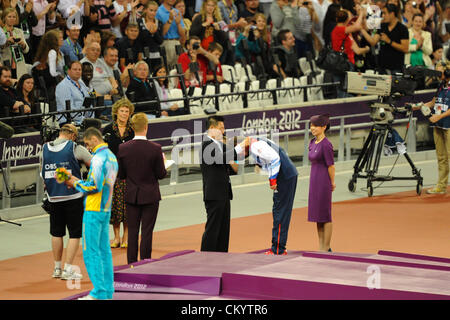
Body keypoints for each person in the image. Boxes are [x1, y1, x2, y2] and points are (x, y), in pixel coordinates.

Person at [64, 127, 118, 300]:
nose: (87, 148)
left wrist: (75, 184)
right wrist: (77, 180)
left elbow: (94, 186)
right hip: (105, 208)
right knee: (104, 252)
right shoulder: (111, 156)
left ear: (94, 139)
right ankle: (107, 291)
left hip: (93, 210)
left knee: (91, 252)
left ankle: (98, 293)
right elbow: (98, 183)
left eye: (87, 144)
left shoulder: (98, 158)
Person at [40, 123, 92, 281]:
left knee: (56, 232)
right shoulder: (75, 147)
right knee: (74, 234)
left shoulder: (44, 148)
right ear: (73, 135)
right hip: (73, 196)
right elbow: (95, 165)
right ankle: (68, 269)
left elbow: (42, 174)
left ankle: (56, 268)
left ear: (59, 133)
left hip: (53, 197)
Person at [116, 112, 167, 264]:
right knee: (147, 232)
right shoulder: (155, 148)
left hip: (132, 195)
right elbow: (161, 174)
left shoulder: (123, 148)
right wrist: (163, 164)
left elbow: (122, 174)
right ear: (146, 127)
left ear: (132, 127)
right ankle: (145, 262)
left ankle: (131, 263)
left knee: (132, 232)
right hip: (150, 195)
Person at [237, 135, 298, 255]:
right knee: (278, 211)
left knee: (280, 212)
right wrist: (260, 164)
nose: (241, 157)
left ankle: (278, 249)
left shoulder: (254, 146)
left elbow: (275, 158)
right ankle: (279, 246)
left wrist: (272, 179)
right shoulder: (258, 140)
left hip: (284, 176)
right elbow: (274, 152)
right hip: (287, 174)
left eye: (240, 154)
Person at [199, 115, 241, 252]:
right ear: (212, 128)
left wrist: (247, 150)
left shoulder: (219, 145)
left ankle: (222, 257)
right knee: (212, 229)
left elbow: (233, 162)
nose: (223, 131)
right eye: (221, 128)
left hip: (224, 192)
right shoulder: (207, 145)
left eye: (224, 128)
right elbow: (221, 158)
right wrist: (240, 147)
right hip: (214, 193)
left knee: (224, 230)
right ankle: (206, 258)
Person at [103, 97, 135, 248]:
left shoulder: (133, 130)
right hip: (112, 173)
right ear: (116, 112)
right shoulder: (108, 130)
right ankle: (116, 237)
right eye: (121, 111)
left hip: (129, 172)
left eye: (126, 111)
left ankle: (126, 237)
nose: (124, 114)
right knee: (115, 205)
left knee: (127, 206)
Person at [413, 62, 450, 194]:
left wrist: (438, 117)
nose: (438, 76)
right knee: (441, 157)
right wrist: (416, 106)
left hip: (448, 125)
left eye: (440, 73)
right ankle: (441, 186)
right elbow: (433, 103)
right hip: (438, 125)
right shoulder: (440, 86)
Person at [307, 114, 335, 252]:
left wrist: (332, 182)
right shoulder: (312, 142)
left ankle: (327, 246)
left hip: (324, 182)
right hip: (314, 181)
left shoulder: (327, 145)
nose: (312, 128)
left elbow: (331, 166)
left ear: (324, 127)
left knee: (325, 214)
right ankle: (321, 246)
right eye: (311, 125)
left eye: (315, 126)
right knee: (317, 215)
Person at [331, 9, 369, 97]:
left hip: (347, 65)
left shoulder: (346, 33)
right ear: (347, 19)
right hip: (342, 65)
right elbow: (357, 26)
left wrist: (365, 49)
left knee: (348, 91)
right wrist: (361, 14)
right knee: (343, 93)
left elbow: (357, 50)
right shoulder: (339, 30)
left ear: (336, 19)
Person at [365, 4, 409, 74]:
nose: (382, 16)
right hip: (382, 67)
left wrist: (389, 41)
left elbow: (405, 48)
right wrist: (362, 30)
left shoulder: (402, 29)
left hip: (396, 67)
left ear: (392, 14)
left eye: (384, 13)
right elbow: (373, 42)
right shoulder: (382, 26)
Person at [55, 61, 90, 125]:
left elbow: (88, 101)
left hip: (83, 119)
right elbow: (70, 110)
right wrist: (84, 120)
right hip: (68, 122)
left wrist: (90, 117)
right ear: (68, 71)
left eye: (79, 69)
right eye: (75, 69)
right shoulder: (63, 86)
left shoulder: (81, 82)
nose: (78, 71)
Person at [0, 66, 33, 131]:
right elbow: (13, 104)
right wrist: (19, 105)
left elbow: (26, 105)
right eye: (5, 77)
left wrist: (21, 105)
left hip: (18, 123)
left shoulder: (13, 90)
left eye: (9, 77)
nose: (8, 79)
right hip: (5, 126)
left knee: (36, 132)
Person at [1, 8, 30, 80]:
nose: (12, 19)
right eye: (9, 17)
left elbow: (26, 50)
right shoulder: (1, 32)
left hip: (19, 65)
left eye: (14, 17)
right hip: (6, 64)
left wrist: (23, 45)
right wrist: (6, 42)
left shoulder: (19, 31)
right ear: (4, 18)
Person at [157, 0, 187, 68]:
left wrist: (178, 23)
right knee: (166, 70)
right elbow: (161, 34)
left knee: (178, 71)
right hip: (165, 43)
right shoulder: (158, 11)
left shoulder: (177, 11)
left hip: (177, 43)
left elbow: (182, 35)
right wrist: (170, 20)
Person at [137, 1, 164, 71]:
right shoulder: (139, 22)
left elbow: (160, 41)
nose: (153, 13)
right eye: (151, 10)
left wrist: (154, 33)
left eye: (155, 11)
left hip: (156, 55)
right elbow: (139, 39)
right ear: (145, 10)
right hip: (143, 54)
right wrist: (149, 33)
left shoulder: (159, 23)